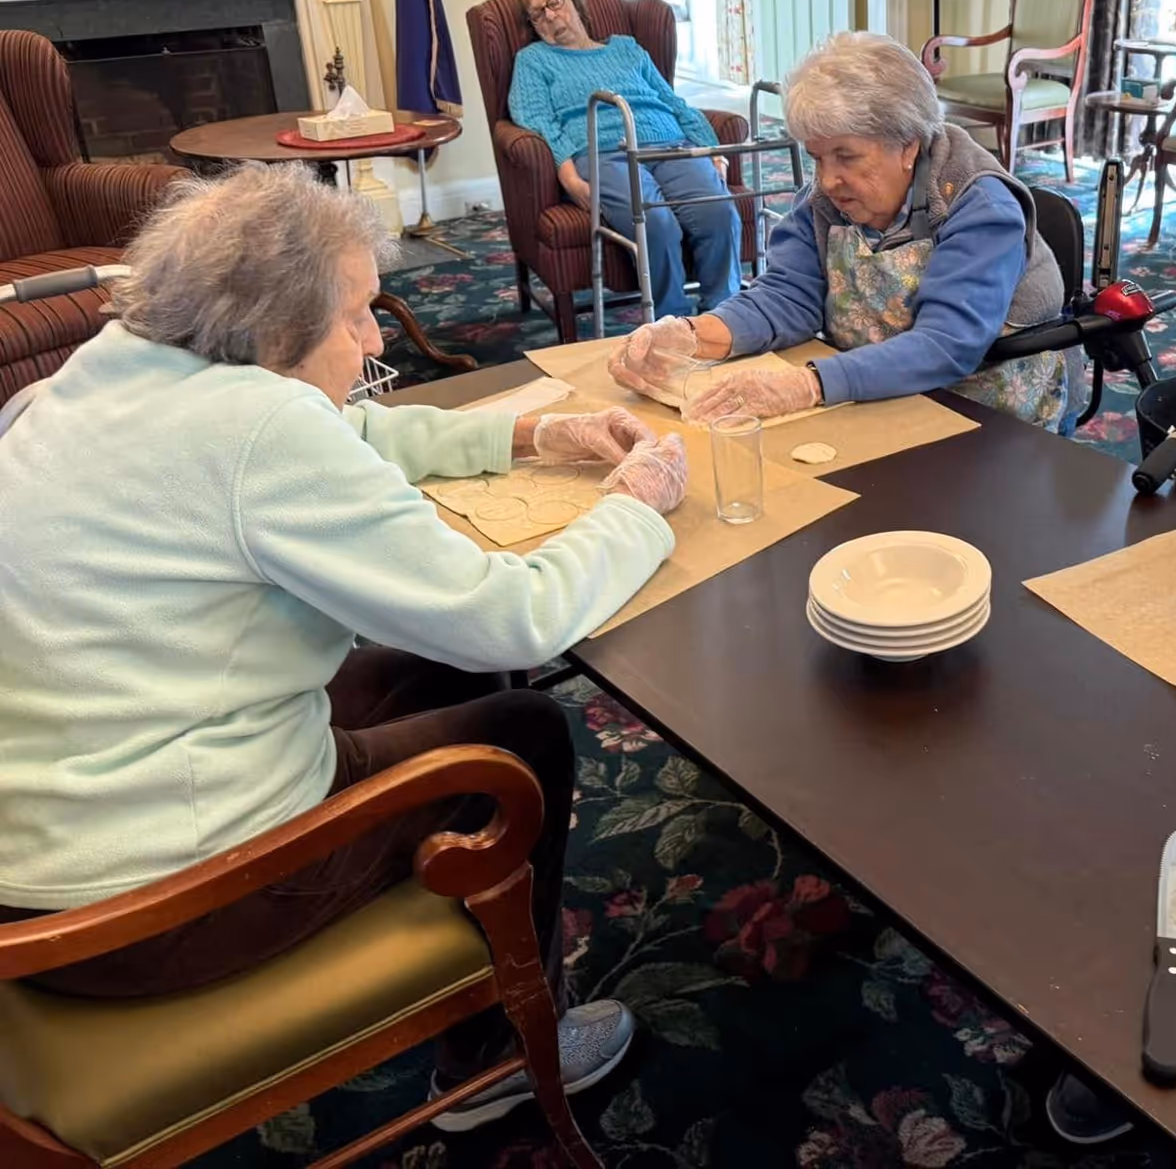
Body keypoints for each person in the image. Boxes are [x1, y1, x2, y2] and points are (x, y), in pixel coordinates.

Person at [0, 163, 690, 1131]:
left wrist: (532, 432)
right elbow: (515, 615)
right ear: (278, 334)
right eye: (359, 314)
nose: (375, 338)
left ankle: (465, 934)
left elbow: (335, 432)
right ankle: (489, 1060)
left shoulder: (101, 371)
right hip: (146, 911)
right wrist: (635, 507)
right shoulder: (256, 428)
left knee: (443, 670)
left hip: (48, 856)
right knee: (522, 730)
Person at [602, 30, 1073, 430]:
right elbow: (788, 295)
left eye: (846, 156)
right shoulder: (830, 201)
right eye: (817, 158)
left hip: (986, 417)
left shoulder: (978, 204)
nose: (826, 180)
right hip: (880, 397)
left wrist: (809, 383)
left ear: (908, 145)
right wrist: (692, 334)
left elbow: (946, 344)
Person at [507, 0, 741, 316]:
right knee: (656, 224)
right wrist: (568, 175)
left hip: (670, 144)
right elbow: (538, 120)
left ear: (573, 1)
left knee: (719, 210)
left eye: (553, 3)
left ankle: (724, 315)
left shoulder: (627, 48)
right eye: (537, 14)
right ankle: (669, 322)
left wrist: (711, 150)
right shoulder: (534, 60)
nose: (550, 16)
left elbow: (673, 102)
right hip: (604, 154)